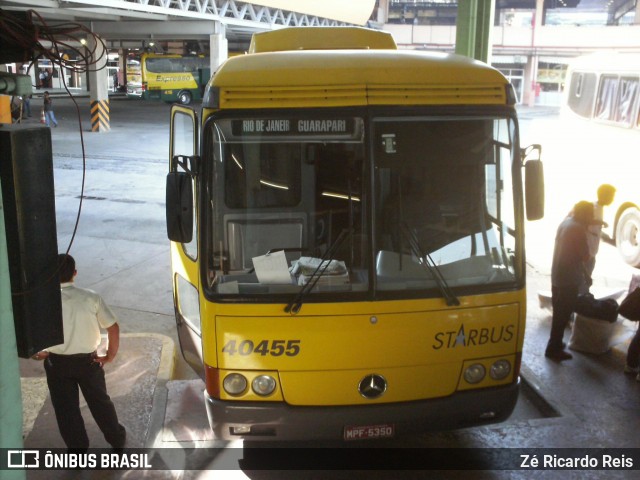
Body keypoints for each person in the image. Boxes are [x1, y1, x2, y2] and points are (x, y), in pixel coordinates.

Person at [32, 254, 126, 451]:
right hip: (89, 363)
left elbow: (33, 333)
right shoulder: (91, 298)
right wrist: (109, 356)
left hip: (57, 364)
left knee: (66, 410)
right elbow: (113, 328)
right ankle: (116, 440)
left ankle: (78, 451)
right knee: (100, 404)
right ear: (74, 274)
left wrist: (37, 352)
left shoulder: (43, 302)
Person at [546, 200, 594, 361]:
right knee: (562, 316)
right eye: (591, 213)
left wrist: (586, 274)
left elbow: (573, 254)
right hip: (568, 280)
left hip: (557, 276)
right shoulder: (579, 229)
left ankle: (556, 344)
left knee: (559, 313)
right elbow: (585, 256)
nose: (592, 216)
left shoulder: (566, 223)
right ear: (585, 214)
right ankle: (553, 349)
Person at [583, 184, 616, 290]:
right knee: (584, 278)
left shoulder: (600, 207)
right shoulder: (592, 207)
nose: (612, 200)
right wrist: (600, 222)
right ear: (604, 196)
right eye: (611, 197)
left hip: (592, 250)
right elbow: (585, 223)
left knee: (588, 276)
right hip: (586, 251)